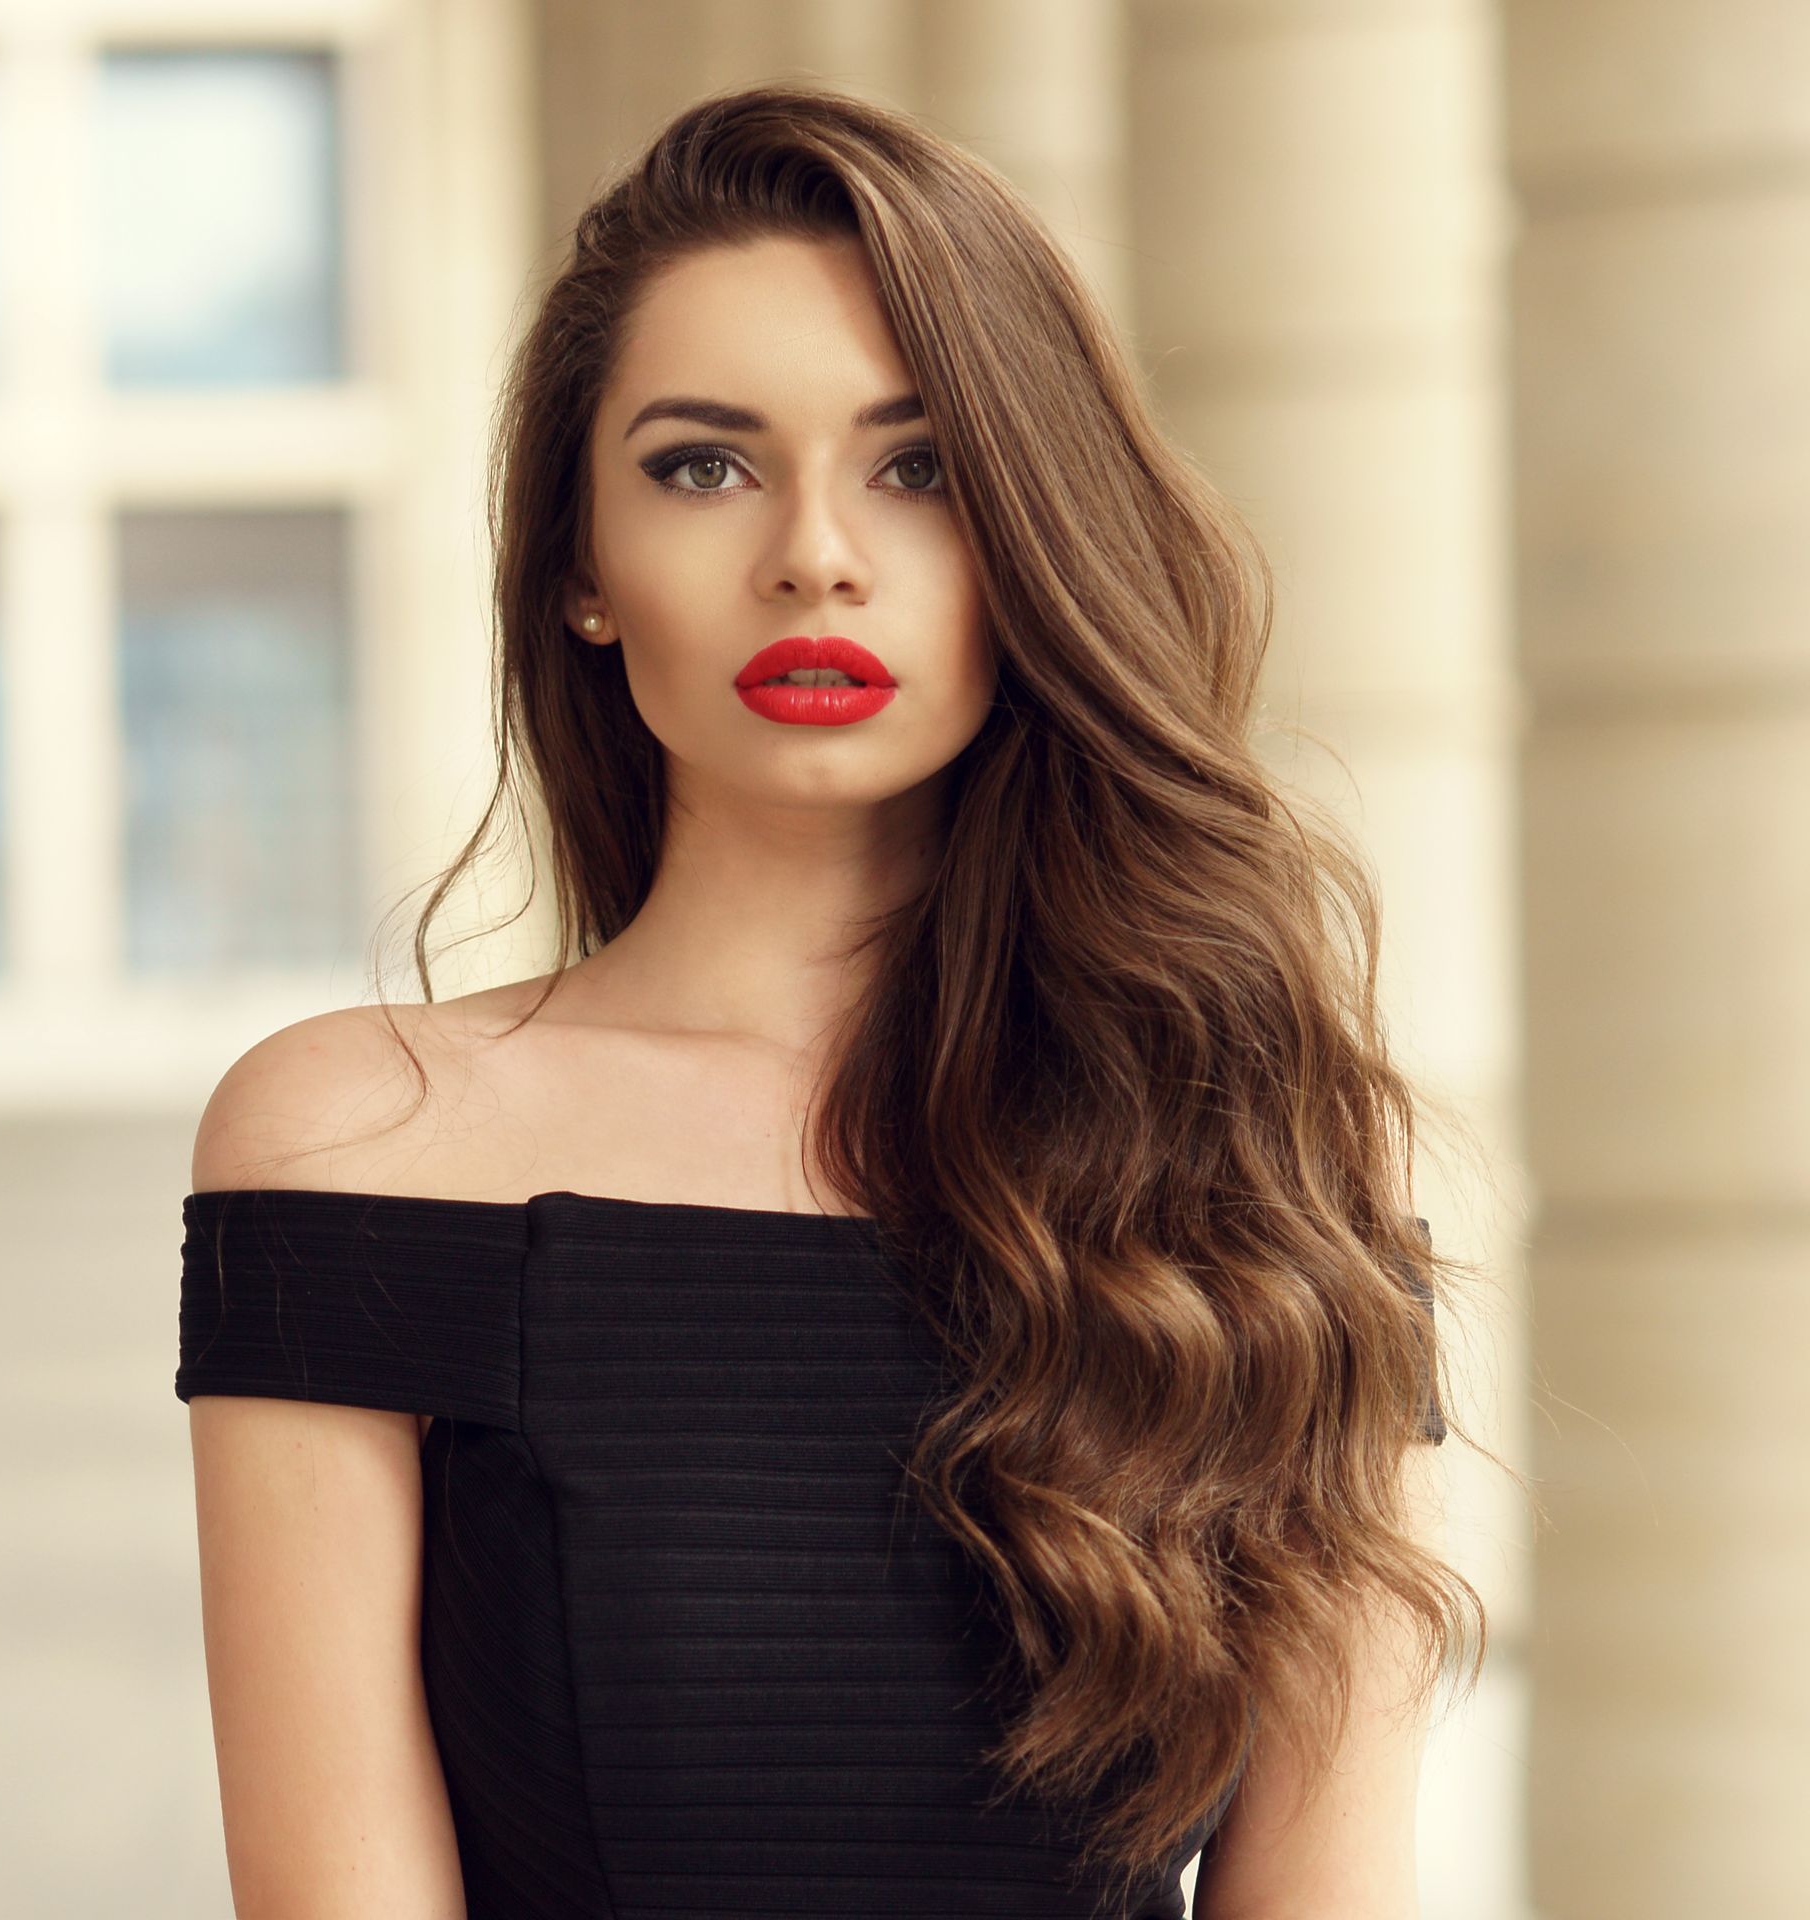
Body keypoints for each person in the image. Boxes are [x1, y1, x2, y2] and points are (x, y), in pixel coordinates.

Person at [177, 81, 1485, 1920]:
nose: (815, 553)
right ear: (580, 572)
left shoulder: (1260, 1157)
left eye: (920, 466)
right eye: (702, 464)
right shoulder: (358, 1142)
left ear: (1032, 539)